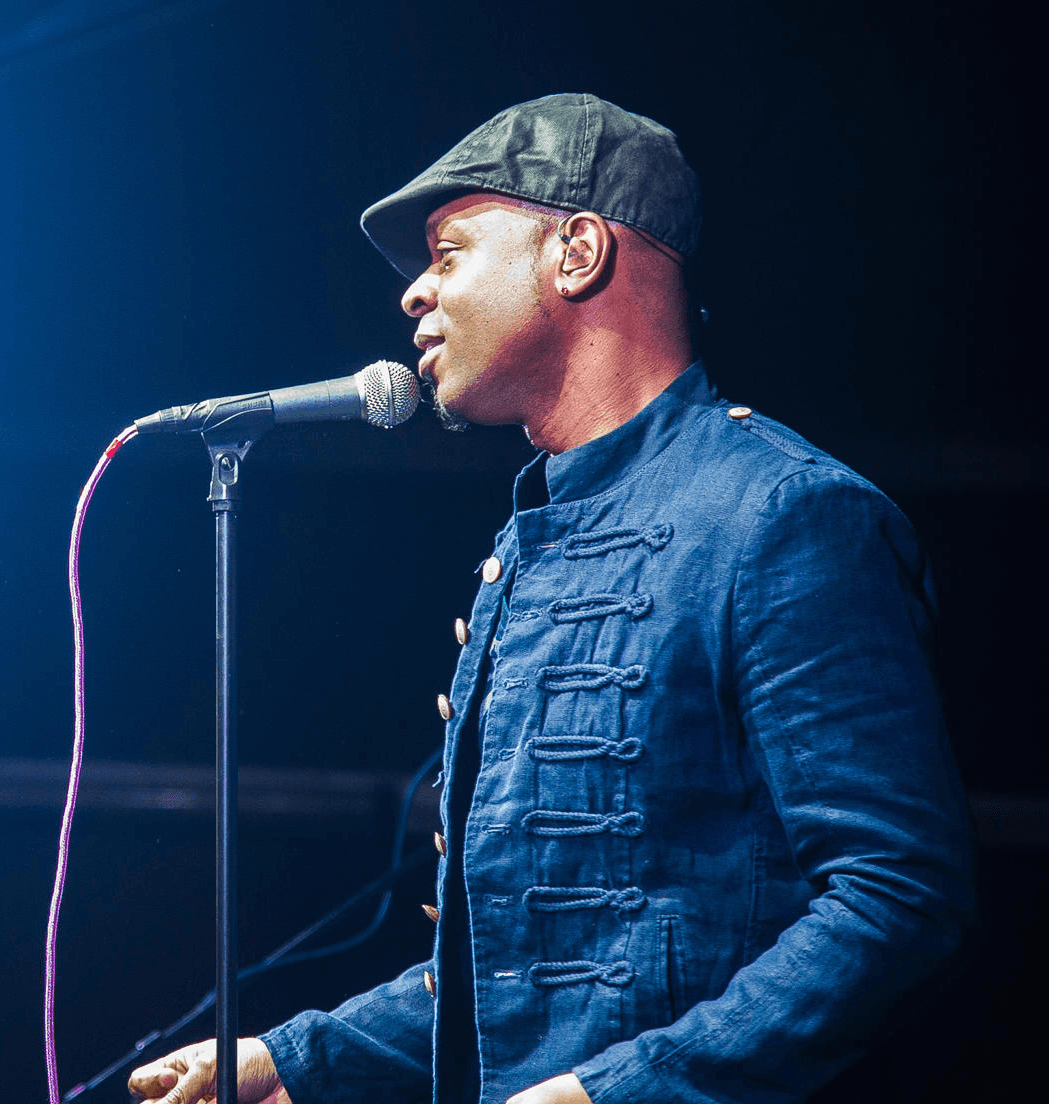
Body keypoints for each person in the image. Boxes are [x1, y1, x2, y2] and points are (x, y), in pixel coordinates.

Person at [126, 93, 975, 1104]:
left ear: (577, 254)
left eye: (449, 253)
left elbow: (896, 899)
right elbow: (522, 971)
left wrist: (612, 1094)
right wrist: (294, 1062)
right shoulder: (522, 554)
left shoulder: (785, 515)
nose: (414, 296)